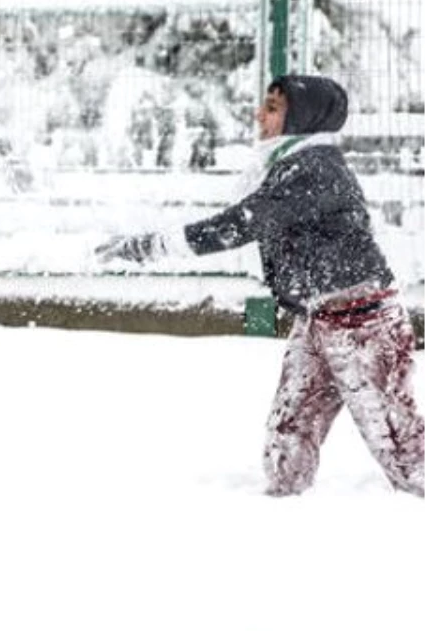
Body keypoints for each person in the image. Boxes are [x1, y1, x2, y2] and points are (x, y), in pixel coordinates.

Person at [96, 75, 425, 497]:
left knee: (399, 444)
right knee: (290, 431)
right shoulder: (288, 164)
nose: (259, 114)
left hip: (362, 324)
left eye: (272, 108)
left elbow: (240, 224)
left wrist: (151, 246)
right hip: (318, 316)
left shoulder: (316, 169)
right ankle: (276, 512)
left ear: (301, 119)